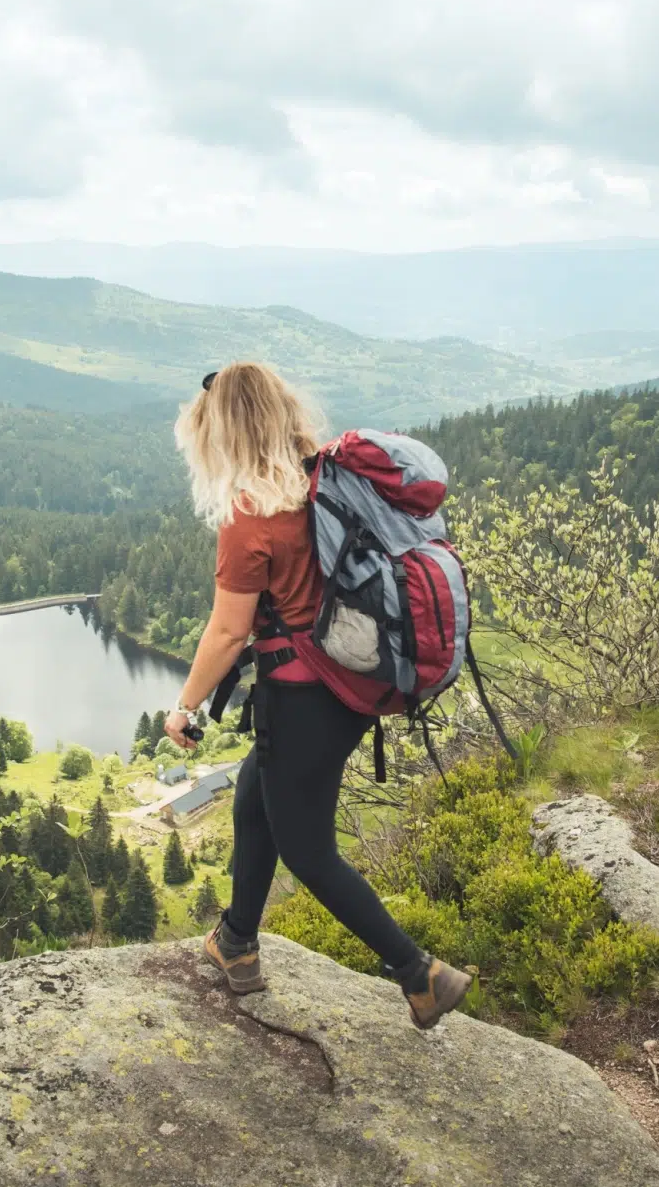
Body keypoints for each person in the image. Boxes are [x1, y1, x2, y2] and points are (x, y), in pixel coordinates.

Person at [164, 361, 473, 1030]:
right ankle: (238, 943)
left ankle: (419, 973)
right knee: (255, 793)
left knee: (307, 849)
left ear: (223, 433)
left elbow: (227, 630)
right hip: (350, 685)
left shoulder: (251, 510)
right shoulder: (326, 476)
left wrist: (184, 707)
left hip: (300, 696)